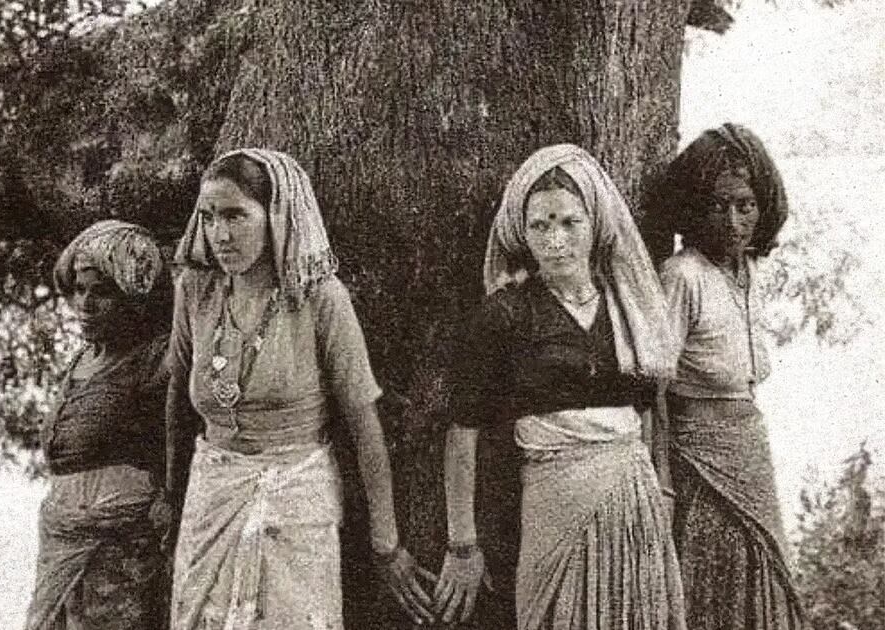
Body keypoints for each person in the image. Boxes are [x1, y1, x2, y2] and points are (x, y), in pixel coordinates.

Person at [161, 148, 434, 629]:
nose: (219, 234)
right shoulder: (196, 291)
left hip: (296, 499)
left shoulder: (319, 299)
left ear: (276, 216)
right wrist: (170, 489)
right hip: (211, 497)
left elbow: (363, 423)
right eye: (207, 217)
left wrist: (386, 543)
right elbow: (177, 400)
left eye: (235, 216)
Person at [438, 144, 686, 629]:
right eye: (540, 226)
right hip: (552, 502)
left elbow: (651, 406)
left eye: (570, 223)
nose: (555, 240)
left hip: (635, 505)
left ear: (594, 224)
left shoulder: (629, 310)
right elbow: (462, 430)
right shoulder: (507, 314)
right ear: (521, 233)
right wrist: (462, 545)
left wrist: (664, 487)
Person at [658, 123, 806, 630]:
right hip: (698, 455)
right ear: (694, 207)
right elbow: (653, 384)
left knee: (764, 568)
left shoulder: (749, 273)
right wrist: (661, 474)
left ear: (763, 206)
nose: (733, 220)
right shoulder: (683, 276)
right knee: (712, 580)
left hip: (748, 447)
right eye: (717, 205)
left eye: (745, 205)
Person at [25, 220, 172, 630]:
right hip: (62, 540)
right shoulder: (81, 361)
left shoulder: (156, 360)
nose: (85, 304)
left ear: (133, 298)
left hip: (121, 551)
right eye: (78, 290)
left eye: (102, 292)